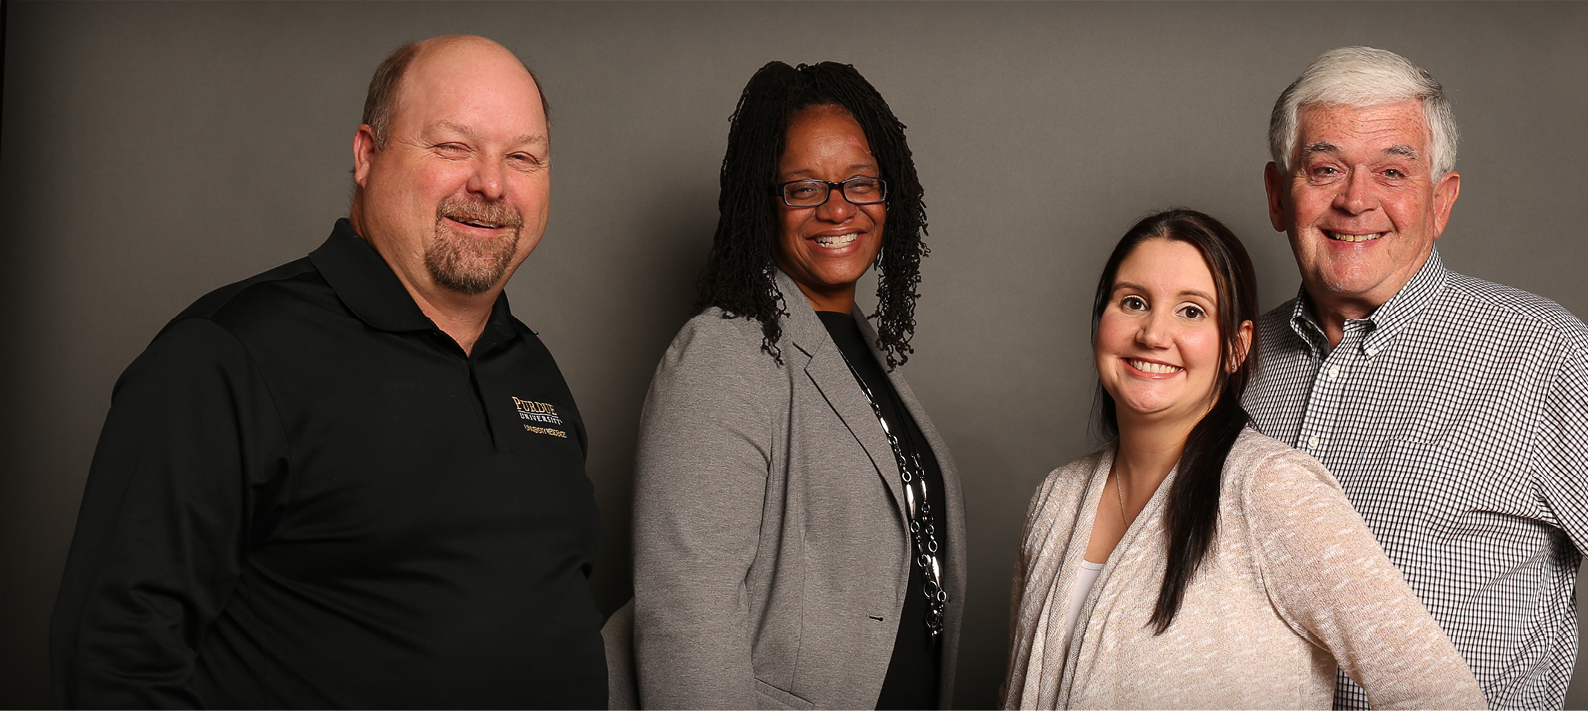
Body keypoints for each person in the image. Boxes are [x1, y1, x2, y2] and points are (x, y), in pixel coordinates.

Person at [50, 36, 611, 708]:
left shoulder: (533, 372)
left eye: (522, 157)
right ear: (366, 155)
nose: (491, 183)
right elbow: (113, 658)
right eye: (453, 146)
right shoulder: (230, 352)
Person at [1246, 46, 1588, 709]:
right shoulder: (1228, 363)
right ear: (1278, 196)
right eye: (1325, 169)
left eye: (1393, 171)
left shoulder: (1540, 355)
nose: (1356, 199)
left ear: (1441, 201)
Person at [1002, 210, 1485, 710]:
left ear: (1236, 347)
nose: (1152, 333)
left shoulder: (1272, 491)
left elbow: (1440, 696)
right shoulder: (1056, 498)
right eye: (1133, 302)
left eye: (1191, 311)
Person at [631, 61, 964, 710]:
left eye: (859, 182)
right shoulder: (726, 352)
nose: (837, 207)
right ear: (764, 202)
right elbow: (686, 621)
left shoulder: (862, 351)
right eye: (803, 187)